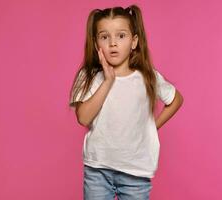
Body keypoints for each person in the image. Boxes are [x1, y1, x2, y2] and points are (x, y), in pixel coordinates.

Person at [69, 4, 183, 200]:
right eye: (105, 37)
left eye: (121, 36)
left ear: (134, 41)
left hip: (136, 173)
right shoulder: (88, 76)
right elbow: (83, 117)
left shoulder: (147, 77)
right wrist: (108, 81)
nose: (113, 43)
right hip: (98, 170)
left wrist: (151, 128)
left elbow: (176, 99)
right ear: (96, 43)